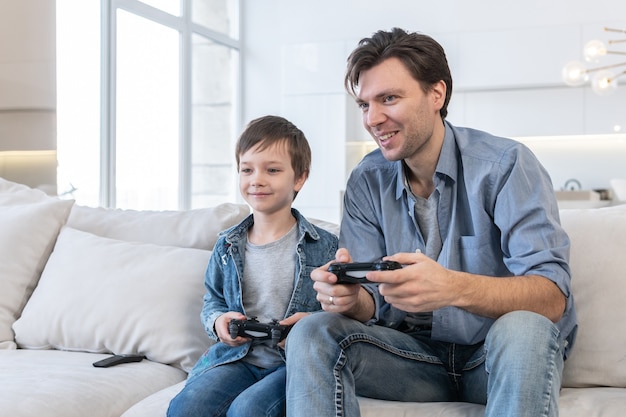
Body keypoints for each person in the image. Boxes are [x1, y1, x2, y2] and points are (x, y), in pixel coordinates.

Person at [285, 28, 577, 417]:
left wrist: (451, 287)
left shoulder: (505, 165)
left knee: (526, 327)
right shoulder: (367, 180)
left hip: (496, 358)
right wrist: (353, 301)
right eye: (364, 104)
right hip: (412, 359)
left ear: (436, 94)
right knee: (312, 330)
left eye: (388, 98)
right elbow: (372, 302)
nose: (373, 119)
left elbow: (551, 297)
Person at [167, 115, 338, 417]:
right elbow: (213, 300)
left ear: (299, 178)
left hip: (292, 365)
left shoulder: (325, 246)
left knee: (248, 410)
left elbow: (339, 315)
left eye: (272, 170)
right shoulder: (227, 245)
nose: (256, 179)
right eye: (247, 170)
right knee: (184, 409)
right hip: (238, 359)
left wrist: (306, 327)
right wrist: (219, 323)